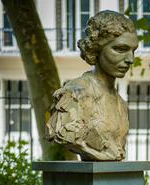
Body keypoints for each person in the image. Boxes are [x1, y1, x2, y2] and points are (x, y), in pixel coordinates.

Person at [46, 10, 139, 161]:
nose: (130, 59)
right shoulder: (74, 94)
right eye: (120, 49)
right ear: (97, 49)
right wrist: (99, 154)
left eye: (133, 51)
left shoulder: (121, 104)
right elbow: (62, 133)